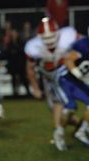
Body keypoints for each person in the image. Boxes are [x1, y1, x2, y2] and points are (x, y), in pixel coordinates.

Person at [25, 17, 80, 151]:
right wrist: (35, 87)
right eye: (46, 38)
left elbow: (84, 46)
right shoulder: (33, 47)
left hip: (66, 76)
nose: (49, 42)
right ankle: (81, 125)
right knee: (59, 111)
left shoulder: (68, 36)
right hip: (48, 78)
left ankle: (58, 133)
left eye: (52, 38)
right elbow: (30, 69)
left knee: (59, 104)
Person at [53, 19, 89, 149]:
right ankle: (59, 133)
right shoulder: (85, 44)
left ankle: (81, 131)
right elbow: (68, 60)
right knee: (70, 107)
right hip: (64, 78)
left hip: (78, 80)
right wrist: (78, 74)